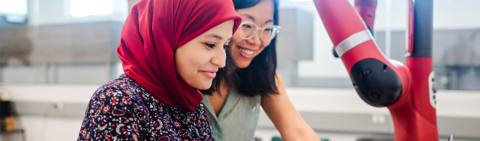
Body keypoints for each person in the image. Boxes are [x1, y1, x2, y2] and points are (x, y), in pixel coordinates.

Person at [77, 0, 241, 140]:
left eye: (225, 45)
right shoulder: (117, 102)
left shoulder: (189, 102)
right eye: (210, 44)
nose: (221, 61)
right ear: (167, 37)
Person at [201, 0, 319, 140]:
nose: (256, 41)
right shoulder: (189, 71)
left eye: (267, 28)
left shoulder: (263, 74)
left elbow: (299, 133)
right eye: (246, 25)